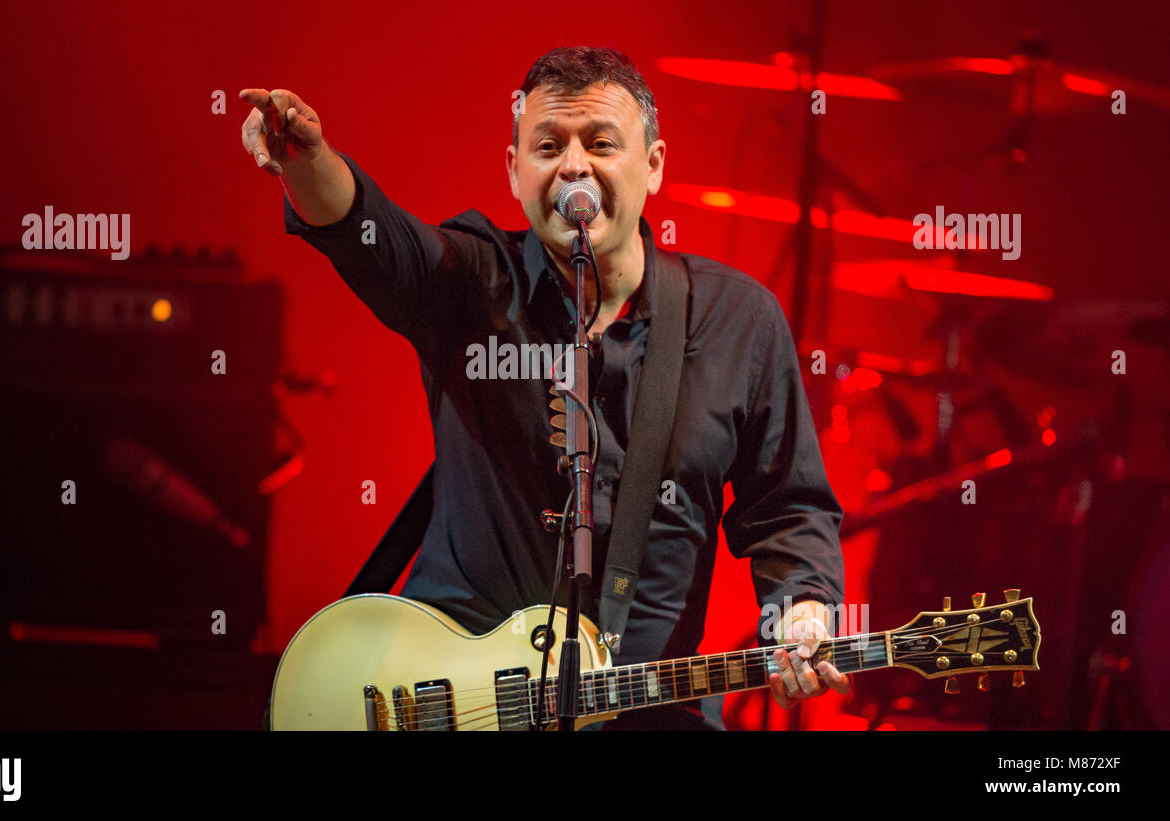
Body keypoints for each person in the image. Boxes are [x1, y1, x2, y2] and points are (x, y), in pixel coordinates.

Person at [240, 46, 849, 730]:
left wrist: (801, 610)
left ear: (654, 164)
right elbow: (373, 236)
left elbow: (790, 509)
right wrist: (305, 162)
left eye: (601, 143)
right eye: (549, 145)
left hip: (646, 709)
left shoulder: (738, 321)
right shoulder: (474, 282)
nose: (574, 165)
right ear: (515, 170)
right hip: (447, 705)